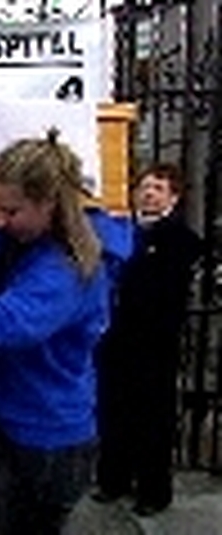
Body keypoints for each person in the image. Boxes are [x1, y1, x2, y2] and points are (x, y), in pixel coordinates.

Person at [0, 131, 130, 535]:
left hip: (45, 435)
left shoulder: (69, 267)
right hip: (6, 413)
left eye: (11, 211)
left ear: (49, 204)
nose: (0, 221)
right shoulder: (23, 241)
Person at [93, 162, 201, 516]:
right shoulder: (123, 231)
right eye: (145, 187)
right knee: (114, 410)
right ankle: (113, 480)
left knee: (153, 419)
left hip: (155, 345)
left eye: (157, 188)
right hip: (116, 339)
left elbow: (166, 293)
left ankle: (153, 491)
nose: (149, 193)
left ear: (173, 196)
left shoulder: (181, 239)